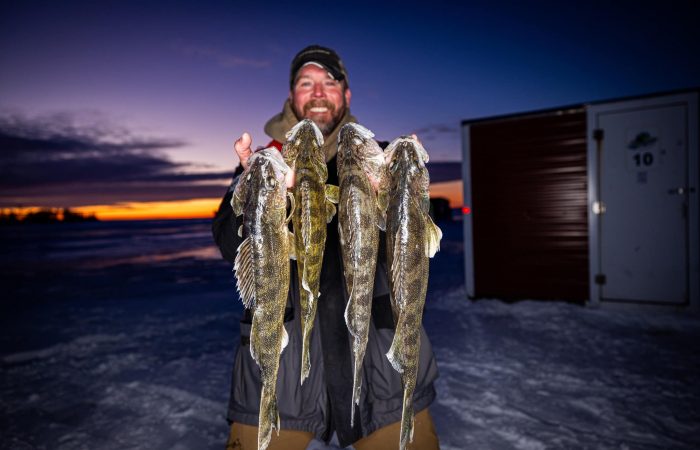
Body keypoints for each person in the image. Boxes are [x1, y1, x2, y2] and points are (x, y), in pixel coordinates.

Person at [212, 45, 440, 450]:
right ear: (291, 96)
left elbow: (417, 244)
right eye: (306, 83)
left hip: (382, 376)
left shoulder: (380, 157)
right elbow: (229, 241)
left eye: (328, 82)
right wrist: (257, 194)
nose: (318, 93)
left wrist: (400, 193)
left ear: (346, 95)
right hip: (279, 380)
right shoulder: (267, 161)